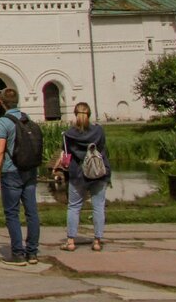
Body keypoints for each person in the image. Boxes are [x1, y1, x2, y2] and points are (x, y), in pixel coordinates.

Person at [0, 87, 40, 266]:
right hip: (30, 170)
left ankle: (18, 254)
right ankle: (33, 253)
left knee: (12, 213)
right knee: (32, 212)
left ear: (1, 102)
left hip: (11, 171)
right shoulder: (27, 119)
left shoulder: (4, 122)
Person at [61, 102, 109, 252]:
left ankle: (70, 241)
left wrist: (63, 166)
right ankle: (97, 241)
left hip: (78, 174)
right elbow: (102, 148)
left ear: (76, 115)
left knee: (74, 207)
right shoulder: (99, 131)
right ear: (89, 114)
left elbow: (66, 155)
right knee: (98, 206)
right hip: (98, 172)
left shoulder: (69, 134)